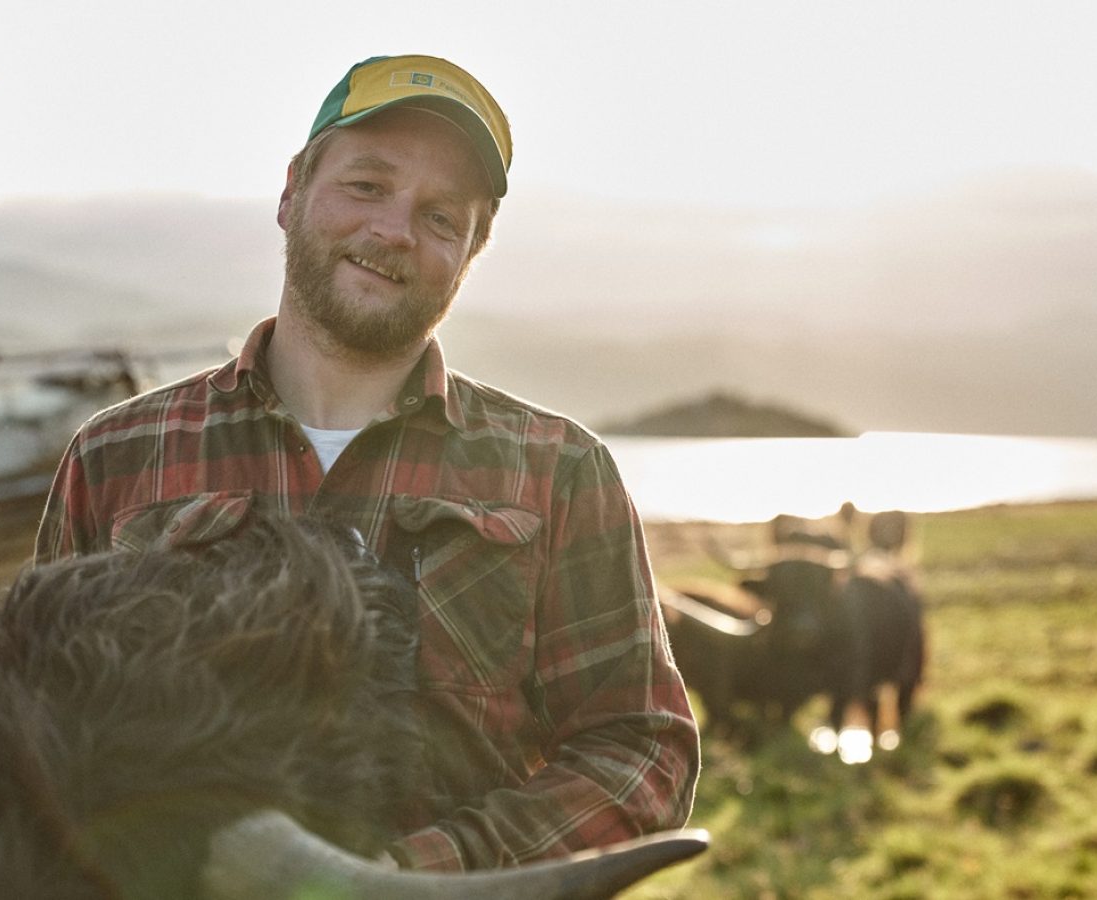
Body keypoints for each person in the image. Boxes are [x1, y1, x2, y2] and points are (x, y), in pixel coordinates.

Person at [35, 53, 699, 872]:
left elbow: (639, 747)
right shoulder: (116, 457)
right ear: (290, 192)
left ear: (470, 252)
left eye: (440, 217)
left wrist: (419, 876)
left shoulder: (560, 472)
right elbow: (32, 738)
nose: (393, 231)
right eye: (367, 186)